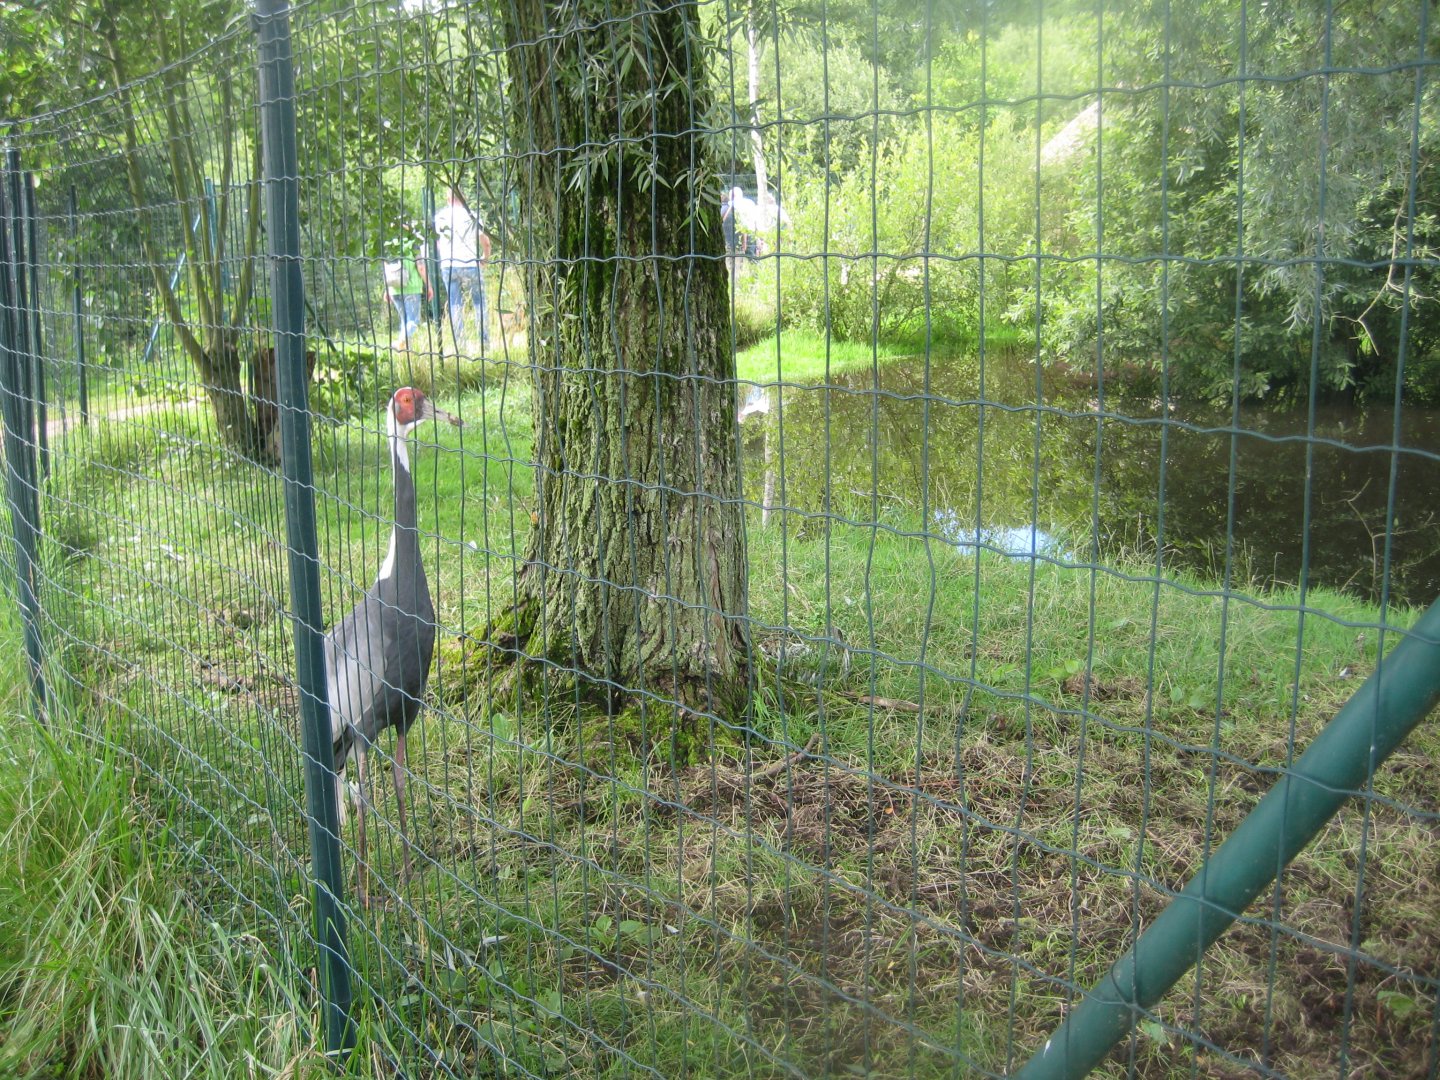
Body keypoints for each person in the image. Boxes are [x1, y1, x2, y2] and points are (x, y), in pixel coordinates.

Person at [434, 187, 492, 351]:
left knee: (454, 305)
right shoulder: (472, 215)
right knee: (479, 303)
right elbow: (486, 242)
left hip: (449, 266)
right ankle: (484, 343)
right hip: (471, 264)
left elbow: (438, 244)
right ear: (463, 198)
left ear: (447, 199)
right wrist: (484, 259)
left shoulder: (440, 217)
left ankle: (460, 345)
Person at [383, 240, 427, 349]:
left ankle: (407, 353)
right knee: (413, 322)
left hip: (394, 289)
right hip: (412, 289)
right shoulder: (413, 242)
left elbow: (387, 268)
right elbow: (421, 267)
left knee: (405, 321)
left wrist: (387, 289)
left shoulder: (390, 242)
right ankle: (400, 342)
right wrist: (429, 285)